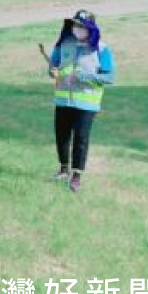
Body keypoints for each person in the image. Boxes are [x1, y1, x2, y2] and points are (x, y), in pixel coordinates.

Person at [48, 10, 115, 192]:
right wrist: (52, 70)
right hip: (63, 101)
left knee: (81, 138)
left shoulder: (101, 49)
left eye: (81, 26)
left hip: (87, 104)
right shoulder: (64, 44)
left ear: (90, 29)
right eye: (76, 25)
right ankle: (63, 169)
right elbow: (53, 64)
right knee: (61, 136)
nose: (77, 29)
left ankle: (77, 175)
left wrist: (85, 77)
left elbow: (109, 77)